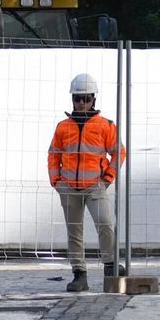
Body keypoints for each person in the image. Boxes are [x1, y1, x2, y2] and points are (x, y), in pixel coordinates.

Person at [48, 73, 125, 292]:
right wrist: (56, 181)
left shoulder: (106, 125)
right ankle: (79, 274)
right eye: (77, 98)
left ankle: (110, 266)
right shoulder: (63, 127)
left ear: (94, 100)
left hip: (94, 185)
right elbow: (53, 154)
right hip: (69, 187)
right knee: (74, 231)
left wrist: (108, 177)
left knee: (104, 223)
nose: (81, 103)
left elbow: (118, 152)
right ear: (72, 99)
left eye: (86, 98)